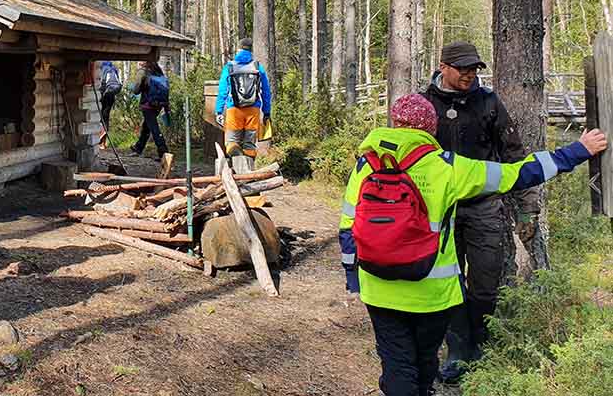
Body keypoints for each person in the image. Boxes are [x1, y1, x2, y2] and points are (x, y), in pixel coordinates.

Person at [338, 93, 606, 396]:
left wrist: (353, 279)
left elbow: (347, 228)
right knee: (425, 362)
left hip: (378, 288)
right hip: (432, 294)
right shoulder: (448, 168)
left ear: (395, 123)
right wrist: (577, 151)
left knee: (396, 363)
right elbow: (516, 174)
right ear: (430, 129)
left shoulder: (366, 165)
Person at [420, 41, 534, 382]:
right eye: (463, 68)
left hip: (485, 207)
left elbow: (514, 155)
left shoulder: (489, 103)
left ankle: (480, 344)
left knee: (485, 283)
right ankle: (457, 350)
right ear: (443, 67)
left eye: (474, 68)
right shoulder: (425, 105)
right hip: (442, 209)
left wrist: (528, 209)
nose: (471, 73)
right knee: (449, 282)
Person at [215, 38, 272, 158]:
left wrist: (219, 111)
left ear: (239, 49)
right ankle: (248, 172)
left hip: (234, 109)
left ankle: (235, 170)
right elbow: (266, 91)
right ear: (251, 50)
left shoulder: (230, 67)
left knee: (232, 142)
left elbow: (223, 91)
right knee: (249, 145)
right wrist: (266, 112)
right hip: (253, 110)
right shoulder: (257, 67)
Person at [126, 60, 169, 159]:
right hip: (158, 105)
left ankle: (164, 153)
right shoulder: (158, 71)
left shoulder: (143, 72)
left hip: (147, 104)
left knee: (154, 129)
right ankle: (138, 148)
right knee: (147, 127)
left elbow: (136, 90)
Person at [96, 61, 122, 148]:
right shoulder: (113, 68)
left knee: (99, 117)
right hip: (111, 96)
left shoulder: (100, 67)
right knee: (106, 117)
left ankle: (98, 141)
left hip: (103, 95)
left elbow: (100, 83)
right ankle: (103, 143)